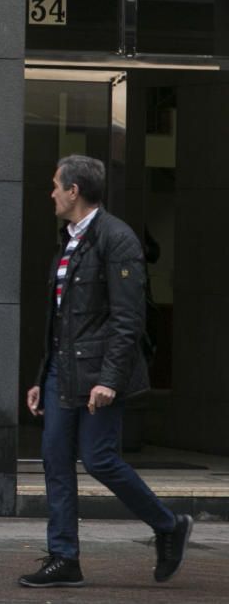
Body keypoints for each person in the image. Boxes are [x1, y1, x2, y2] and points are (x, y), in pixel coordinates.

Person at [19, 155, 192, 588]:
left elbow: (127, 319)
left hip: (98, 375)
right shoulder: (70, 240)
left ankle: (168, 525)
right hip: (62, 371)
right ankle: (64, 558)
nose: (52, 193)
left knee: (99, 459)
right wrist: (43, 376)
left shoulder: (117, 239)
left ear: (74, 191)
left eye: (56, 185)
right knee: (55, 460)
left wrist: (110, 379)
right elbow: (63, 319)